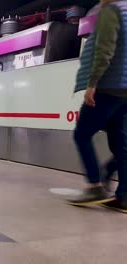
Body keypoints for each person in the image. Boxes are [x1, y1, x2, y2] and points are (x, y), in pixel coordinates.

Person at [69, 0, 127, 213]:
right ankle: (124, 197)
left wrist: (92, 83)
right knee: (120, 142)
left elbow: (104, 51)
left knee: (82, 134)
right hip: (124, 92)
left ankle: (95, 186)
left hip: (108, 86)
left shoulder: (111, 11)